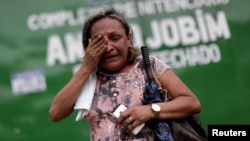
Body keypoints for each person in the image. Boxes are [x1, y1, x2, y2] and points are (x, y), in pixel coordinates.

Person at [49, 6, 202, 141]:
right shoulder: (87, 78)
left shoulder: (149, 66)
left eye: (115, 38)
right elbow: (56, 113)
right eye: (100, 42)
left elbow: (191, 103)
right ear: (89, 45)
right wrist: (86, 68)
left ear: (128, 38)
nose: (108, 47)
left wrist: (150, 111)